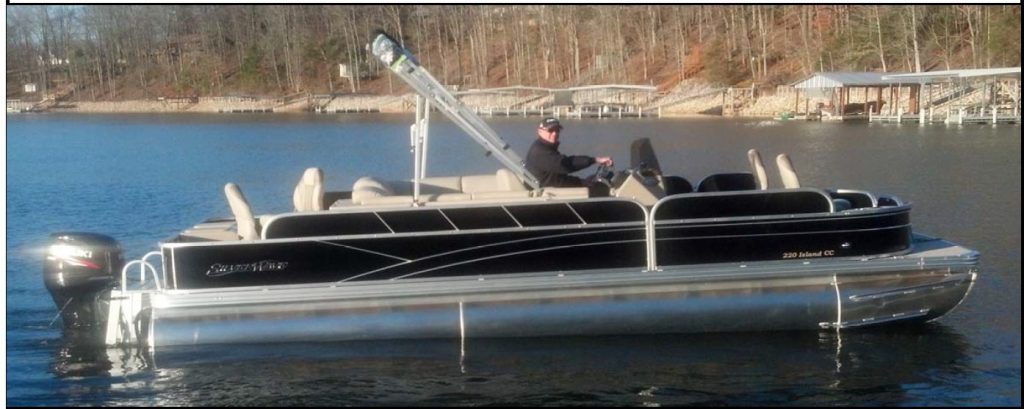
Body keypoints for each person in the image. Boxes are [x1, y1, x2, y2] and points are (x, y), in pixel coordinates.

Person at [524, 117, 613, 188]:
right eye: (550, 130)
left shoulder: (545, 147)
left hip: (549, 188)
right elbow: (566, 165)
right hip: (547, 194)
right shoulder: (540, 152)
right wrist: (595, 160)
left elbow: (556, 177)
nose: (555, 133)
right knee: (599, 189)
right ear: (540, 131)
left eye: (557, 130)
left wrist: (581, 181)